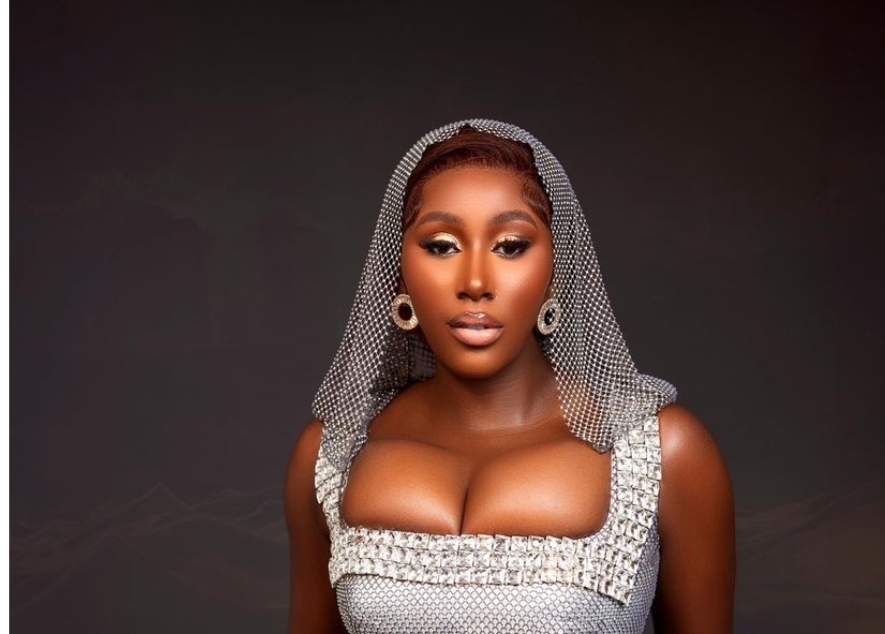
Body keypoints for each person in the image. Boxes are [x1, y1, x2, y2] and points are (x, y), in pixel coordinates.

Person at [285, 119, 735, 634]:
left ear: (556, 270)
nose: (476, 282)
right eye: (441, 245)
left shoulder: (663, 452)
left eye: (511, 245)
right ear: (399, 270)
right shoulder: (333, 451)